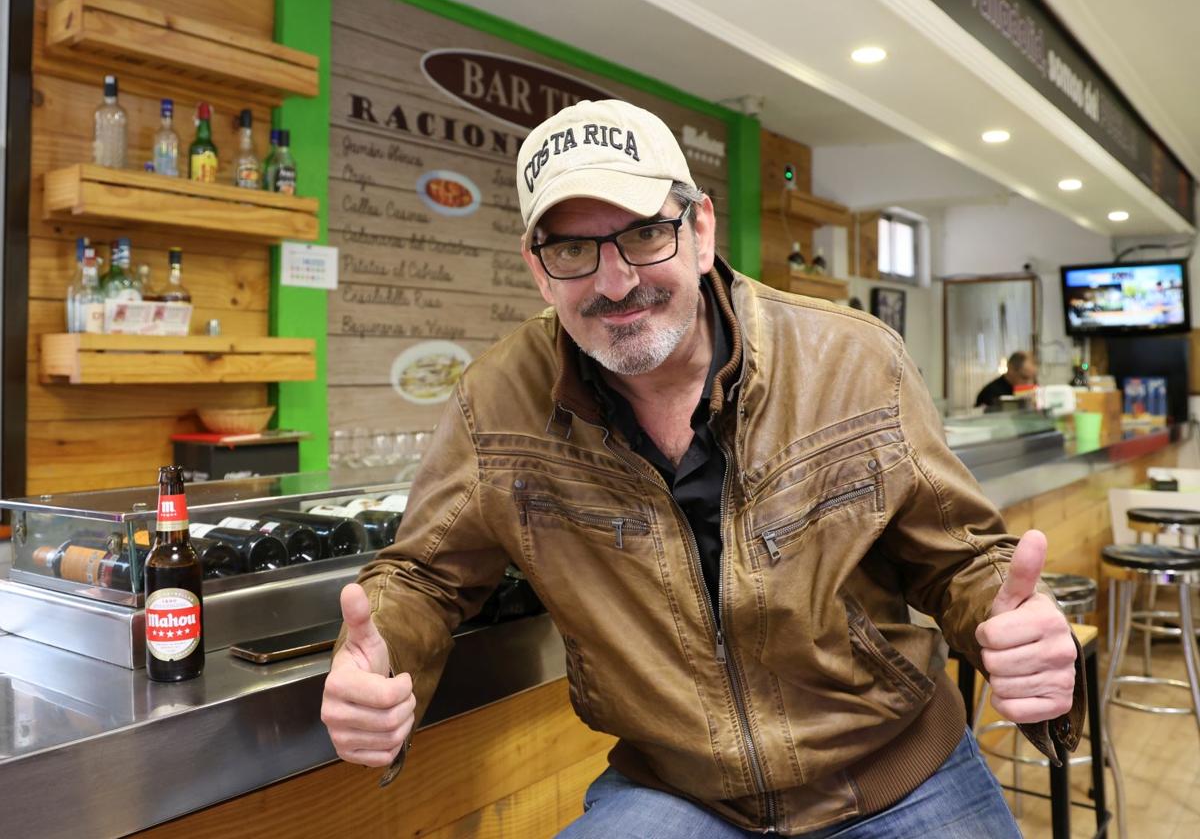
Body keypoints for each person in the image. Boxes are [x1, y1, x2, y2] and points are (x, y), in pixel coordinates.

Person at [321, 100, 1081, 837]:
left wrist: (1003, 622)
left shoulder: (853, 358)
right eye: (573, 250)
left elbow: (963, 560)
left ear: (702, 228)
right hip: (680, 794)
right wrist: (382, 654)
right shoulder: (497, 402)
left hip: (896, 771)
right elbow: (424, 576)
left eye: (646, 233)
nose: (616, 283)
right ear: (537, 267)